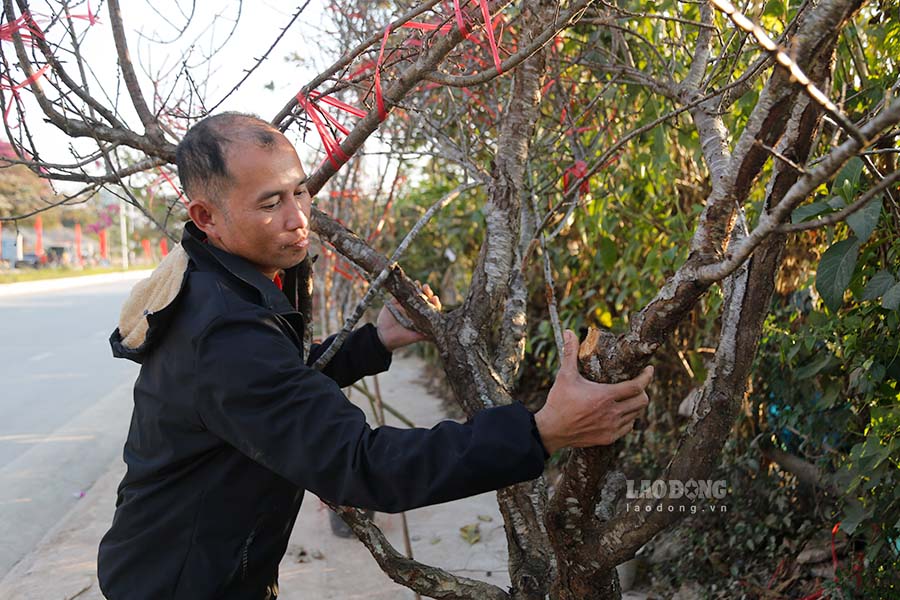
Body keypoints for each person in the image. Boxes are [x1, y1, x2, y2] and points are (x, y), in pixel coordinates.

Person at [97, 112, 652, 599]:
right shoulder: (222, 330)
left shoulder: (227, 281)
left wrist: (374, 341)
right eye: (271, 203)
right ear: (206, 217)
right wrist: (541, 431)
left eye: (299, 191)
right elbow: (360, 466)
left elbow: (275, 388)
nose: (298, 218)